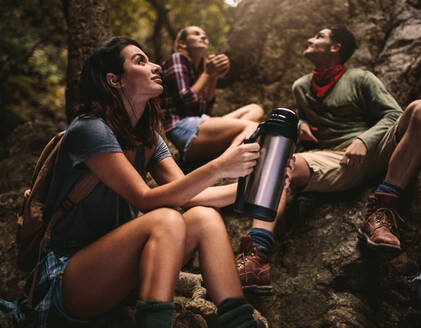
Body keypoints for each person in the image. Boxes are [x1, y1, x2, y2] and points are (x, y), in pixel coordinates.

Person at [0, 37, 271, 328]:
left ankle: (239, 321)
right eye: (140, 61)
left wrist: (257, 186)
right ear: (114, 80)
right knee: (166, 220)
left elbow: (191, 196)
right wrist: (219, 166)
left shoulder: (149, 138)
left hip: (119, 274)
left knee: (204, 217)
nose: (155, 67)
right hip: (67, 278)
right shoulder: (89, 129)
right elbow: (144, 198)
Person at [235, 26, 421, 294]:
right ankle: (257, 256)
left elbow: (393, 115)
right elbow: (302, 124)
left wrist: (363, 140)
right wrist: (302, 123)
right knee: (278, 163)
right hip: (331, 160)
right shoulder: (301, 87)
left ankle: (381, 210)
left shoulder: (361, 79)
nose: (310, 39)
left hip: (374, 150)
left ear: (335, 48)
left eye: (318, 37)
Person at [160, 25, 264, 165]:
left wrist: (214, 76)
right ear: (182, 43)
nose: (203, 36)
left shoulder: (199, 69)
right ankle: (228, 162)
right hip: (183, 129)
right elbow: (185, 99)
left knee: (255, 109)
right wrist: (207, 73)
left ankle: (230, 147)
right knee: (252, 127)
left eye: (204, 35)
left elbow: (206, 110)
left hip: (200, 125)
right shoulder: (177, 58)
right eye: (196, 34)